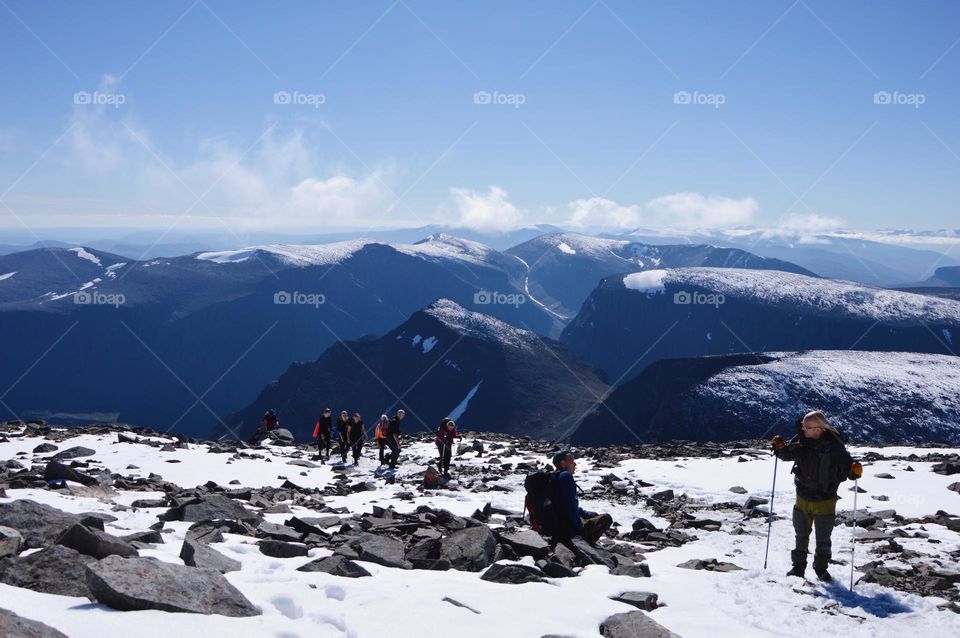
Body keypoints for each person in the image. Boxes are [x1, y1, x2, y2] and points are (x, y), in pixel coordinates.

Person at [772, 410, 863, 582]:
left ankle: (820, 568)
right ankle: (798, 567)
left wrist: (854, 471)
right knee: (801, 534)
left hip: (825, 499)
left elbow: (848, 469)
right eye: (804, 426)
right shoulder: (802, 441)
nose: (803, 429)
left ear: (818, 429)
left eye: (807, 427)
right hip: (803, 496)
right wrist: (781, 448)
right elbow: (787, 455)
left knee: (823, 537)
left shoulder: (835, 447)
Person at [550, 450, 612, 547]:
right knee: (606, 518)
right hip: (568, 530)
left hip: (556, 526)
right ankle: (585, 543)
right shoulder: (566, 476)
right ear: (562, 463)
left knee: (590, 517)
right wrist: (580, 529)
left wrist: (586, 514)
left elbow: (564, 504)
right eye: (571, 460)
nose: (575, 464)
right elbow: (570, 507)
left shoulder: (555, 477)